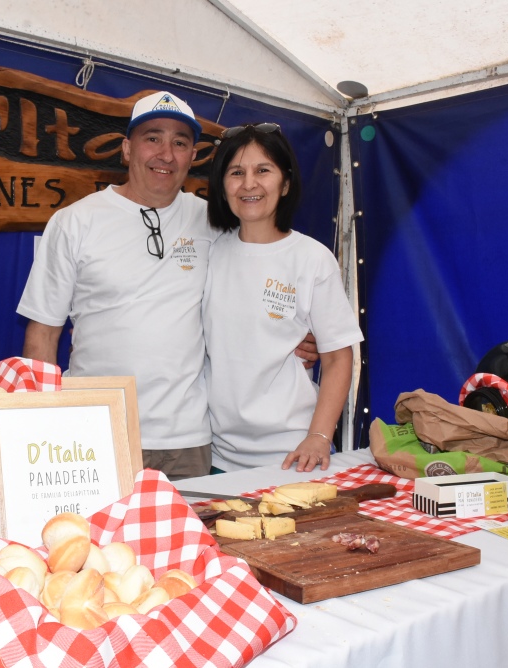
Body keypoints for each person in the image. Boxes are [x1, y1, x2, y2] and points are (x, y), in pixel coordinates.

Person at [17, 92, 317, 480]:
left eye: (180, 142)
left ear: (193, 156)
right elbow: (42, 331)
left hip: (187, 439)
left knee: (190, 541)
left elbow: (263, 271)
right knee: (92, 541)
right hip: (93, 430)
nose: (166, 154)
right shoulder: (75, 222)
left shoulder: (214, 219)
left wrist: (294, 332)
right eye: (152, 138)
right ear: (126, 149)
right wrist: (40, 423)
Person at [203, 122, 364, 473]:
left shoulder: (311, 258)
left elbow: (339, 357)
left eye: (263, 170)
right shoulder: (208, 253)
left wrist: (319, 436)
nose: (249, 184)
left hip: (294, 455)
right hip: (216, 457)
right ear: (222, 185)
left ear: (285, 183)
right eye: (236, 172)